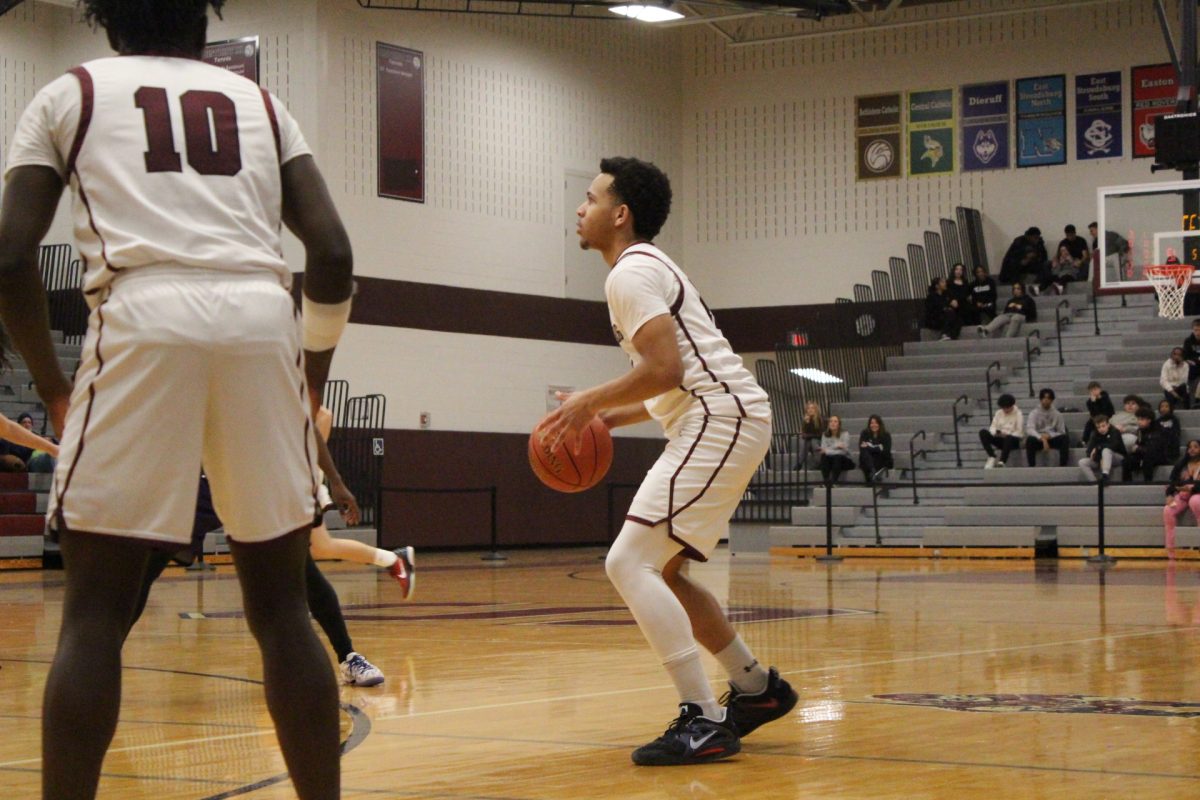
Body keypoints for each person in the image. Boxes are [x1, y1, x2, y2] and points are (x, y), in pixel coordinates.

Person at [0, 3, 354, 796]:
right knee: (283, 611)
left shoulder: (72, 92)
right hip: (262, 318)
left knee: (93, 617)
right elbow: (331, 253)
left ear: (106, 16)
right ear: (202, 18)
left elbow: (11, 253)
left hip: (142, 309)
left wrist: (53, 388)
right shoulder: (262, 105)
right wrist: (311, 384)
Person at [538, 157, 795, 767]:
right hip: (719, 416)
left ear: (620, 214)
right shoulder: (645, 270)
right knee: (667, 573)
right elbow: (668, 386)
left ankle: (703, 719)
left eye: (592, 198)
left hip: (719, 419)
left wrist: (589, 402)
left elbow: (665, 372)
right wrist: (599, 418)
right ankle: (756, 690)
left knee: (628, 562)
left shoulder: (629, 275)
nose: (581, 208)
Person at [309, 406, 414, 588]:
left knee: (315, 549)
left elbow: (324, 415)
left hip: (297, 485)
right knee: (320, 548)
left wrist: (325, 482)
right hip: (291, 484)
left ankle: (393, 559)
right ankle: (393, 559)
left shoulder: (288, 397)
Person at [1163, 439, 1200, 558]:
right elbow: (1172, 482)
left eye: (1196, 447)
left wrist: (1192, 488)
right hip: (1183, 495)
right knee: (1168, 510)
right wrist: (1169, 495)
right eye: (1190, 447)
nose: (1192, 449)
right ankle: (1171, 549)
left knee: (1195, 501)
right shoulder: (1181, 464)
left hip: (1197, 493)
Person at [1124, 407, 1170, 483]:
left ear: (1149, 420)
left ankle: (1148, 483)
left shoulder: (1158, 430)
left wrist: (1138, 449)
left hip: (1159, 455)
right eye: (1138, 419)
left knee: (1147, 460)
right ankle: (1127, 484)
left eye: (1141, 419)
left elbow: (1154, 449)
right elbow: (1139, 444)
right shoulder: (1141, 430)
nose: (1139, 422)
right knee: (1126, 461)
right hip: (1144, 453)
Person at [1024, 388, 1069, 467]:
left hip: (1052, 439)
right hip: (1038, 439)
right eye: (1044, 398)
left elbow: (1061, 431)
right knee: (1030, 440)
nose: (1046, 400)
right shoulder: (1034, 413)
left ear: (1052, 400)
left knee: (1065, 438)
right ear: (1040, 399)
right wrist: (1042, 438)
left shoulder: (1057, 414)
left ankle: (1063, 465)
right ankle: (1031, 466)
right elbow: (1030, 429)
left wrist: (1049, 436)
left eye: (1048, 398)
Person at [979, 393, 1023, 468]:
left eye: (1007, 407)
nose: (1005, 410)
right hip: (1000, 438)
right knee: (983, 432)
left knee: (1008, 438)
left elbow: (1019, 431)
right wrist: (996, 433)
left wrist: (1007, 434)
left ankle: (1002, 461)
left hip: (1013, 440)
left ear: (1011, 405)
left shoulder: (1018, 414)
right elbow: (992, 427)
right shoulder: (999, 413)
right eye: (1004, 408)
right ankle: (992, 456)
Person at [1078, 415, 1127, 482]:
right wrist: (1099, 458)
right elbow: (1089, 452)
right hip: (1100, 459)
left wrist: (1099, 448)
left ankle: (1105, 475)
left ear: (1108, 425)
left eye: (1103, 426)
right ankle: (1094, 483)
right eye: (1098, 427)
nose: (1101, 429)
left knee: (1106, 450)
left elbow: (1114, 446)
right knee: (1082, 462)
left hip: (1117, 457)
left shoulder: (1115, 431)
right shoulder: (1094, 434)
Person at [818, 414, 854, 485]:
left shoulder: (845, 434)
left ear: (839, 424)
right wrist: (836, 446)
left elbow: (843, 452)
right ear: (828, 424)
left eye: (835, 421)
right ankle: (826, 481)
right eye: (831, 421)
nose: (833, 423)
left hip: (845, 460)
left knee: (837, 457)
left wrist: (828, 450)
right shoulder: (824, 435)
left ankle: (834, 482)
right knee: (824, 457)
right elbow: (823, 451)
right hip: (831, 461)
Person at [857, 414, 893, 483]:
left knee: (869, 456)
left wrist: (868, 447)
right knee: (864, 455)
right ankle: (873, 472)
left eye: (876, 423)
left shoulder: (886, 435)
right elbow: (861, 448)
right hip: (868, 459)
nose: (874, 425)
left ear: (880, 424)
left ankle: (871, 477)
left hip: (882, 459)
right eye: (872, 423)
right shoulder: (864, 433)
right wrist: (878, 448)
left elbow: (886, 451)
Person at [797, 399, 824, 470]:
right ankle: (799, 463)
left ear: (816, 410)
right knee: (804, 441)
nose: (810, 410)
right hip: (809, 442)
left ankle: (819, 462)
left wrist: (808, 435)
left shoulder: (820, 419)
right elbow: (803, 433)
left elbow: (819, 434)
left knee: (813, 441)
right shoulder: (806, 420)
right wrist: (806, 423)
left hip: (819, 441)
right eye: (808, 408)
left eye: (812, 408)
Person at [1182, 318, 1200, 403]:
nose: (1198, 333)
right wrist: (1187, 361)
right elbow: (1184, 356)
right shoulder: (1188, 341)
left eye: (1199, 330)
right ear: (1192, 330)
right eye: (1196, 330)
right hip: (1193, 365)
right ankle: (1191, 398)